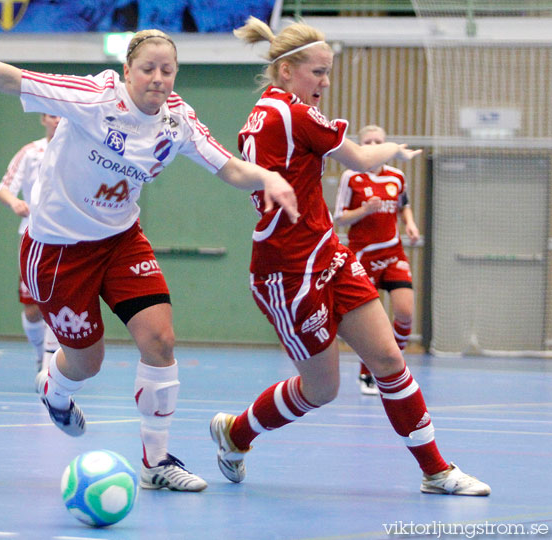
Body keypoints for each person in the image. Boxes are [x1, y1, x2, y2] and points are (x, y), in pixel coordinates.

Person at [0, 24, 299, 492]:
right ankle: (54, 389)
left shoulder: (176, 119)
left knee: (160, 339)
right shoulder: (93, 98)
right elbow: (10, 78)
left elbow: (229, 166)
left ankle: (156, 462)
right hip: (58, 250)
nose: (158, 78)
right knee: (87, 362)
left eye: (168, 70)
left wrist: (269, 179)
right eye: (147, 69)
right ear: (128, 71)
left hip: (121, 241)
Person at [209, 16, 490, 496]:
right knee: (321, 390)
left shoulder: (264, 111)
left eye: (327, 71)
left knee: (386, 358)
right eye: (317, 72)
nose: (325, 82)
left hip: (329, 255)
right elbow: (359, 158)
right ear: (285, 72)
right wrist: (395, 150)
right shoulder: (294, 114)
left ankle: (437, 471)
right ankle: (236, 434)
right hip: (287, 272)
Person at [334, 125, 420, 395]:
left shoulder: (397, 176)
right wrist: (363, 210)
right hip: (363, 256)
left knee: (405, 311)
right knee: (373, 323)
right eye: (367, 141)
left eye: (378, 141)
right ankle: (366, 374)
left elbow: (403, 204)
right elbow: (339, 218)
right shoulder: (351, 177)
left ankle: (394, 368)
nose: (372, 145)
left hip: (393, 252)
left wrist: (410, 223)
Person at [0, 113, 61, 375]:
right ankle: (39, 354)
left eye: (61, 116)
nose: (57, 120)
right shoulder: (30, 152)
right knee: (33, 309)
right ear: (43, 119)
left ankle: (51, 367)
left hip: (69, 237)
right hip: (34, 237)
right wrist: (15, 202)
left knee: (58, 301)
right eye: (52, 115)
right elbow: (4, 187)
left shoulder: (81, 150)